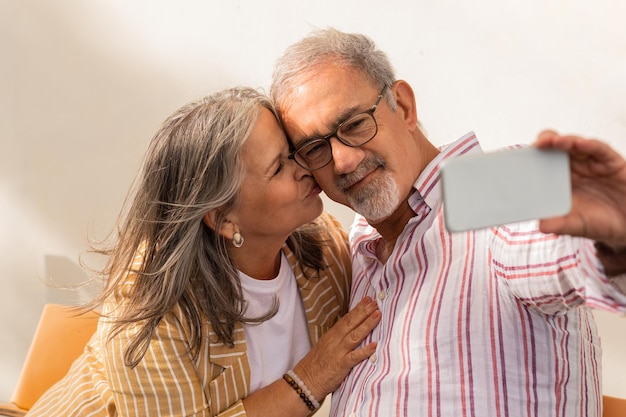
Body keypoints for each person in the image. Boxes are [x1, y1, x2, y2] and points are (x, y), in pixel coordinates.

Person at [269, 28, 626, 417]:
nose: (343, 161)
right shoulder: (355, 248)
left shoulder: (496, 182)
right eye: (316, 148)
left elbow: (560, 252)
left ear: (403, 106)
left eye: (354, 124)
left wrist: (613, 236)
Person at [26, 87, 381, 417]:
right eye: (279, 167)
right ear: (224, 219)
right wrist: (311, 378)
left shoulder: (322, 248)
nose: (306, 167)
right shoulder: (147, 313)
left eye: (293, 151)